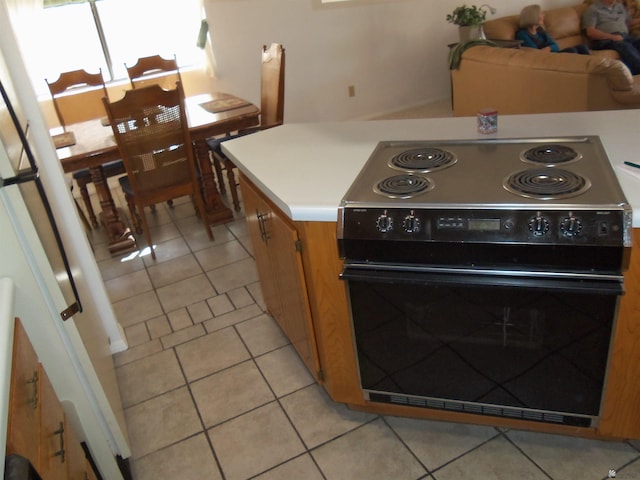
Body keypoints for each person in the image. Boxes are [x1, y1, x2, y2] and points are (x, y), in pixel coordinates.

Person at [582, 0, 640, 74]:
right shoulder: (593, 9)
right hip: (605, 40)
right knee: (624, 46)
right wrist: (612, 37)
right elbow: (590, 32)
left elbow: (628, 22)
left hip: (624, 36)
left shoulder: (619, 6)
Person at [516, 5, 590, 54]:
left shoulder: (540, 30)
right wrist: (550, 48)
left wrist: (548, 48)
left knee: (582, 47)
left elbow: (556, 46)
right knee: (572, 51)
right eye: (541, 13)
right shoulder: (522, 34)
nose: (543, 15)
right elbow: (536, 53)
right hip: (545, 60)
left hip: (552, 55)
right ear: (533, 16)